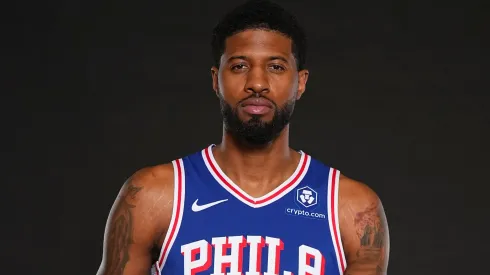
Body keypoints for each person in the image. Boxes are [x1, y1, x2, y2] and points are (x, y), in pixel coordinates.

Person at [96, 0, 390, 274]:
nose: (257, 83)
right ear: (216, 79)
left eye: (276, 67)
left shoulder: (352, 209)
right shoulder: (154, 195)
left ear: (300, 82)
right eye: (239, 66)